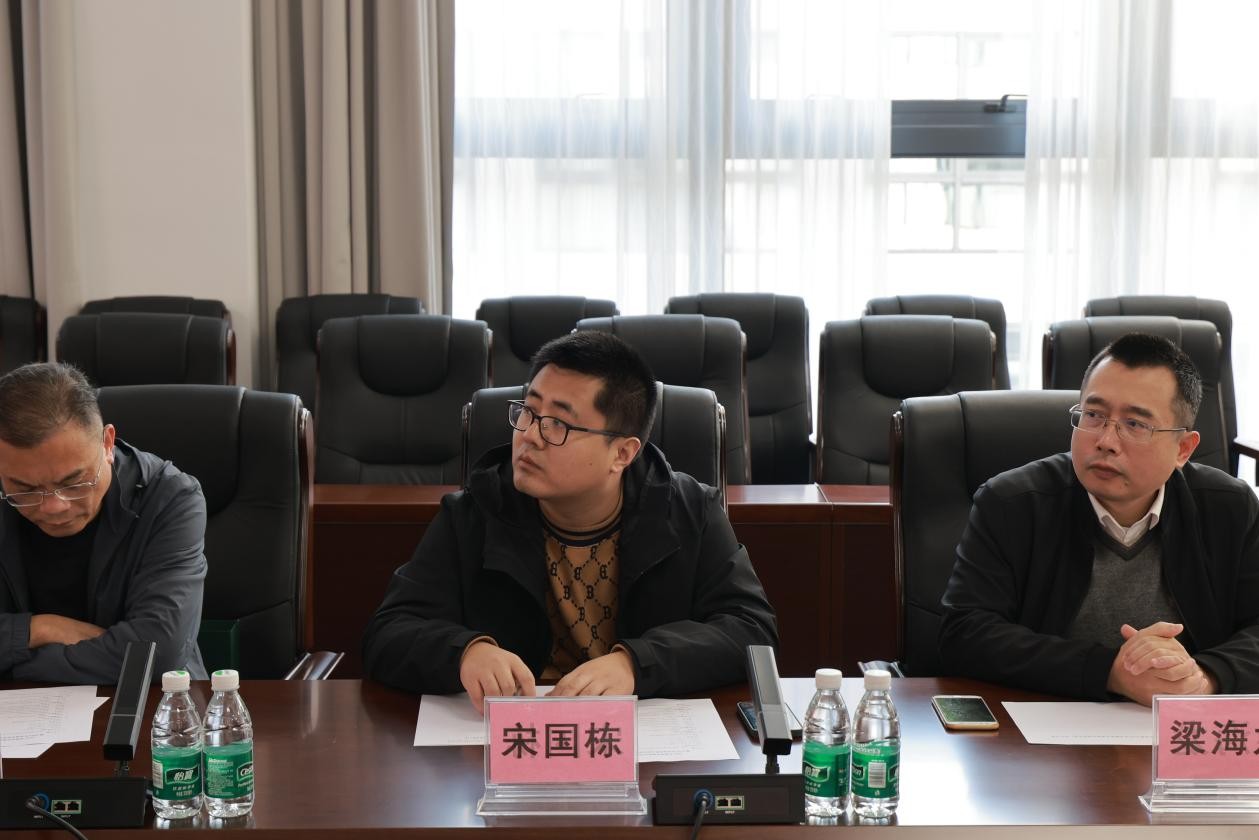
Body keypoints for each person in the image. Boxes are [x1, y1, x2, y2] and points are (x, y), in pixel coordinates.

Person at [363, 331, 777, 712]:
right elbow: (388, 632)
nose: (529, 435)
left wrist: (637, 663)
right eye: (529, 411)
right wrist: (465, 652)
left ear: (622, 453)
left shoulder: (691, 511)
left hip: (640, 738)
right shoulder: (475, 511)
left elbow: (752, 631)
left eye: (558, 424)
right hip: (513, 739)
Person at [940, 333, 1259, 705]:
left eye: (1135, 424)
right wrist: (1110, 672)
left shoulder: (1230, 508)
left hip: (1180, 727)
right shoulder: (1012, 503)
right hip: (1046, 725)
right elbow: (964, 633)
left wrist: (1203, 678)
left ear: (1183, 449)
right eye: (1093, 415)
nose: (1106, 440)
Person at [0, 363, 207, 683]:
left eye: (73, 483)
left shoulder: (170, 498)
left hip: (152, 702)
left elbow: (157, 654)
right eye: (25, 489)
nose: (54, 507)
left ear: (107, 443)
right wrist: (40, 628)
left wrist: (13, 663)